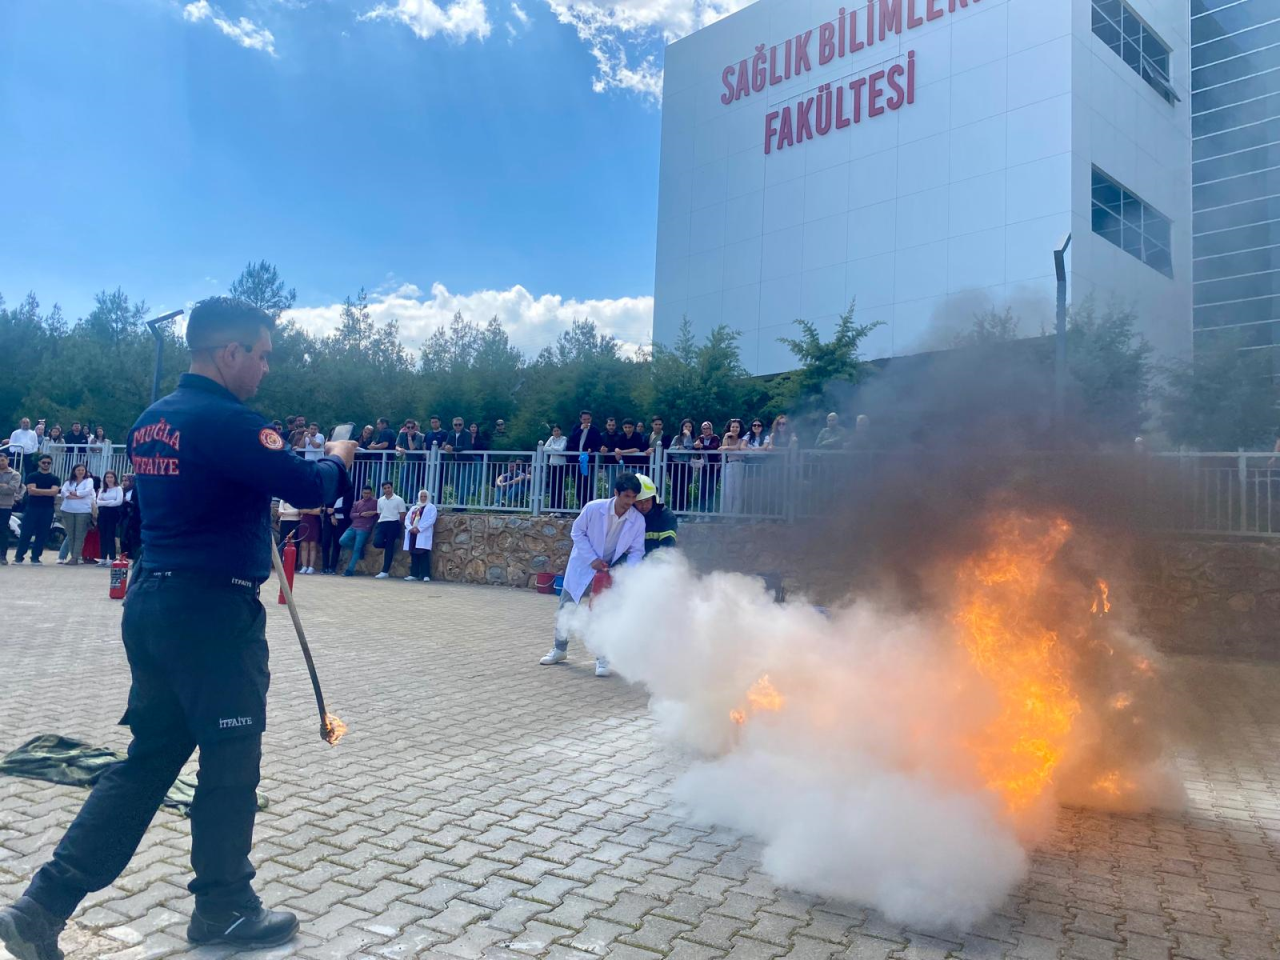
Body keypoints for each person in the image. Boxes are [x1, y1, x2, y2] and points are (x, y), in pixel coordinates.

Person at [0, 296, 357, 959]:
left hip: (154, 601)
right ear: (230, 353)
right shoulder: (229, 421)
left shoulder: (150, 422)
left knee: (149, 761)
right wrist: (340, 454)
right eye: (262, 355)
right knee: (231, 760)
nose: (265, 369)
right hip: (212, 617)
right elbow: (310, 487)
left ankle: (42, 905)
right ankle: (223, 908)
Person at [539, 473, 645, 678]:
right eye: (626, 497)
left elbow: (636, 551)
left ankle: (602, 658)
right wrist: (591, 559)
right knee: (566, 606)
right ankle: (559, 650)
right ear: (616, 493)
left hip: (608, 568)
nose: (630, 502)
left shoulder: (637, 520)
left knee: (603, 610)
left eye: (634, 498)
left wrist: (626, 574)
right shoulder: (593, 508)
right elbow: (577, 532)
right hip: (582, 563)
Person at [13, 454, 60, 564]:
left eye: (48, 463)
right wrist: (47, 492)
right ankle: (19, 557)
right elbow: (31, 491)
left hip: (47, 509)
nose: (46, 464)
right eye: (44, 462)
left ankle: (35, 557)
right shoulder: (32, 476)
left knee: (42, 534)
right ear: (39, 463)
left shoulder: (55, 478)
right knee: (26, 533)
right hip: (32, 508)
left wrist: (38, 491)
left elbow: (54, 492)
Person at [58, 464, 95, 565]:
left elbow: (87, 492)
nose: (80, 472)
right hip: (68, 510)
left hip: (83, 511)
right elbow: (64, 493)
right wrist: (77, 495)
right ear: (74, 471)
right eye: (78, 470)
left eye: (82, 470)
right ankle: (73, 556)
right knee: (71, 534)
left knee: (79, 535)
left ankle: (75, 557)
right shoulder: (68, 481)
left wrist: (74, 493)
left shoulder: (89, 481)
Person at [633, 473, 678, 554]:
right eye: (639, 502)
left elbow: (667, 546)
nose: (644, 506)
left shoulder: (666, 516)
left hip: (656, 561)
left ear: (654, 499)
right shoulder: (626, 516)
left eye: (647, 500)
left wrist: (656, 564)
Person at [339, 485, 379, 576]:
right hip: (353, 526)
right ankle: (360, 551)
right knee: (342, 540)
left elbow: (379, 512)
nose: (366, 495)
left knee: (357, 548)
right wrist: (361, 514)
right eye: (365, 493)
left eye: (368, 493)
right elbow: (351, 515)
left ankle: (349, 570)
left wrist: (373, 513)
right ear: (362, 493)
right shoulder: (357, 503)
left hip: (365, 528)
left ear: (371, 493)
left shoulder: (375, 502)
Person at [567, 411, 604, 509]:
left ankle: (589, 505)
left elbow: (598, 444)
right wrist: (580, 430)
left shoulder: (595, 430)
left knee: (587, 483)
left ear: (591, 419)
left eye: (588, 419)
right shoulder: (576, 428)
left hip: (588, 460)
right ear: (580, 419)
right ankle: (581, 505)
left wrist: (592, 449)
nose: (586, 421)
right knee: (578, 483)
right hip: (575, 460)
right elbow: (570, 441)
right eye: (584, 420)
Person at [373, 480, 407, 580]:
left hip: (393, 523)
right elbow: (379, 513)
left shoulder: (399, 500)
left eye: (389, 487)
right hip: (382, 523)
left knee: (389, 547)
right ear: (383, 489)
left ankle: (385, 571)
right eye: (385, 488)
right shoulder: (380, 500)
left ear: (392, 488)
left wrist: (396, 523)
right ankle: (390, 546)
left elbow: (402, 515)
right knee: (376, 542)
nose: (387, 490)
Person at [402, 490, 436, 582]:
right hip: (413, 533)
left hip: (422, 533)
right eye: (421, 496)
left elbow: (431, 520)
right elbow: (407, 519)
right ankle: (414, 574)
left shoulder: (431, 507)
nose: (423, 498)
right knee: (413, 554)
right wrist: (411, 528)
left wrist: (419, 528)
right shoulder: (414, 508)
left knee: (423, 554)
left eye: (425, 496)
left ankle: (426, 574)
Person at [443, 417, 474, 507]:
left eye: (460, 424)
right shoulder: (451, 433)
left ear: (463, 425)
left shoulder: (467, 433)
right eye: (456, 424)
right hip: (455, 461)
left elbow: (467, 447)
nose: (458, 426)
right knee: (455, 482)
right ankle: (458, 502)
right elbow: (448, 443)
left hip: (465, 462)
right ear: (453, 425)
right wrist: (447, 447)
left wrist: (453, 448)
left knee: (463, 482)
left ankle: (462, 504)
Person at [95, 471, 124, 565]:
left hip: (113, 514)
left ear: (115, 478)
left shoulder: (118, 489)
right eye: (107, 477)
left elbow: (118, 502)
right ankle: (103, 557)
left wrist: (105, 502)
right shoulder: (103, 489)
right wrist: (110, 501)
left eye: (111, 477)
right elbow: (98, 502)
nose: (109, 479)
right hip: (103, 513)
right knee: (102, 535)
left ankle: (112, 557)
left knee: (110, 535)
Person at [669, 419, 697, 512]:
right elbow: (670, 450)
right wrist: (678, 448)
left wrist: (688, 435)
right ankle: (675, 509)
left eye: (690, 427)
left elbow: (689, 447)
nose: (688, 428)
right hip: (676, 465)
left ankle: (684, 510)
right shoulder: (677, 438)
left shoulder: (693, 439)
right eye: (686, 426)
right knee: (675, 488)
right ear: (682, 427)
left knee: (684, 488)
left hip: (686, 466)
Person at [693, 421, 721, 513]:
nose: (705, 430)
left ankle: (710, 511)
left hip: (714, 468)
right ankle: (701, 511)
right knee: (702, 489)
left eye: (707, 428)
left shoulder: (715, 437)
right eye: (703, 428)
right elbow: (695, 447)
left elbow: (714, 446)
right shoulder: (700, 438)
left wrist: (702, 446)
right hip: (703, 467)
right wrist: (696, 446)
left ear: (711, 429)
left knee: (711, 490)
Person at [0, 451, 22, 565]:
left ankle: (2, 556)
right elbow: (6, 488)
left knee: (2, 530)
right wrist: (3, 485)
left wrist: (6, 487)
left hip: (5, 506)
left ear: (7, 460)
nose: (1, 463)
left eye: (3, 460)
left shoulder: (15, 474)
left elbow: (12, 489)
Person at [321, 494, 349, 575]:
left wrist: (335, 511)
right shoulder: (329, 493)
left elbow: (347, 507)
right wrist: (332, 516)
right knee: (325, 543)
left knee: (337, 544)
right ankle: (324, 567)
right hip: (328, 520)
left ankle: (333, 567)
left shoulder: (346, 495)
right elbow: (326, 507)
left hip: (341, 522)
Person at [120, 474, 142, 563]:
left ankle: (134, 559)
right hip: (124, 517)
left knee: (133, 539)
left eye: (127, 480)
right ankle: (125, 558)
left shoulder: (136, 490)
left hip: (134, 518)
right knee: (123, 538)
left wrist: (128, 503)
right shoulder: (121, 491)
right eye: (123, 480)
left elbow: (136, 503)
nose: (124, 483)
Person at [545, 424, 568, 511]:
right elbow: (544, 448)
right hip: (552, 465)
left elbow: (561, 449)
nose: (556, 432)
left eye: (558, 430)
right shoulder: (551, 438)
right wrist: (555, 449)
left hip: (561, 465)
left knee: (560, 486)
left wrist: (552, 448)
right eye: (554, 431)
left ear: (560, 431)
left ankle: (561, 508)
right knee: (553, 486)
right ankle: (552, 508)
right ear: (552, 432)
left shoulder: (564, 438)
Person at [295, 503, 323, 574]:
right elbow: (301, 511)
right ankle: (304, 566)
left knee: (312, 545)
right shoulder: (305, 499)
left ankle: (311, 567)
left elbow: (317, 511)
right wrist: (311, 510)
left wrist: (307, 510)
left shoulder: (318, 499)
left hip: (315, 522)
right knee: (304, 545)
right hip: (305, 521)